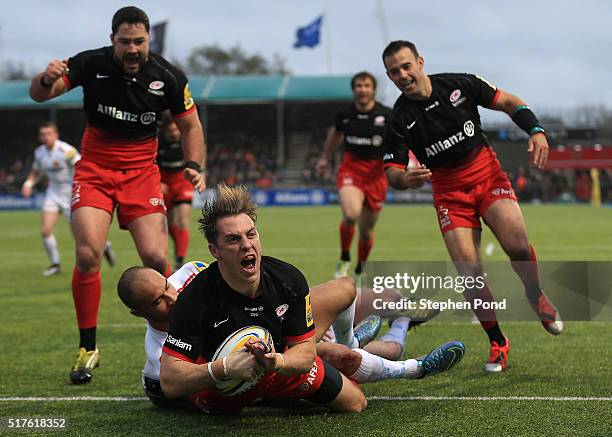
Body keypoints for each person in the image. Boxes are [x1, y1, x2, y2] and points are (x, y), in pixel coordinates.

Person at [157, 185, 464, 413]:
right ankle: (413, 365)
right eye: (233, 239)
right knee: (336, 354)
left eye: (251, 234)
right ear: (215, 250)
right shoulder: (196, 296)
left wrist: (276, 361)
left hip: (278, 363)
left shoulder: (287, 280)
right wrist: (223, 368)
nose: (246, 245)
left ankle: (381, 330)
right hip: (221, 393)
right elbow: (170, 382)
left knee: (355, 403)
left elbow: (302, 353)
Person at [29, 6, 206, 384]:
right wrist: (46, 78)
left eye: (139, 41)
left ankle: (181, 340)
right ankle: (88, 348)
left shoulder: (168, 77)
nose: (132, 49)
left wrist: (195, 164)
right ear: (113, 40)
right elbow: (41, 95)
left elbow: (191, 126)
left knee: (158, 258)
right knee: (89, 254)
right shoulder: (90, 64)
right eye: (124, 41)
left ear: (148, 41)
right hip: (94, 169)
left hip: (142, 173)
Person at [381, 40, 563, 373]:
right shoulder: (398, 119)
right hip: (449, 194)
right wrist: (404, 180)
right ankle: (497, 341)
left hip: (488, 176)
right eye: (394, 71)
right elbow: (391, 171)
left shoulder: (460, 84)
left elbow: (509, 101)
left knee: (518, 247)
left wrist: (535, 130)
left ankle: (535, 295)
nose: (402, 75)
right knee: (470, 274)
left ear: (420, 61)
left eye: (406, 66)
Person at [315, 72, 392, 279]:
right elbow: (335, 135)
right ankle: (344, 258)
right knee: (351, 215)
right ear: (354, 89)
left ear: (373, 89)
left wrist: (409, 160)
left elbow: (400, 139)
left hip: (377, 175)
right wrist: (324, 157)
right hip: (352, 170)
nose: (363, 89)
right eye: (359, 85)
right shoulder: (344, 115)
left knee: (366, 231)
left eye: (367, 85)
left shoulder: (387, 114)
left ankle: (360, 269)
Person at [22, 122, 116, 276]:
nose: (45, 137)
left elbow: (83, 166)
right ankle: (55, 264)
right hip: (52, 193)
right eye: (43, 134)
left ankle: (104, 246)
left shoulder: (66, 151)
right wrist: (29, 183)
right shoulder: (39, 152)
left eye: (48, 134)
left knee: (80, 236)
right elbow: (36, 171)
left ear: (56, 135)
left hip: (71, 194)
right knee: (45, 230)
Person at [157, 114, 194, 270]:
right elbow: (148, 163)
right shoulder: (157, 142)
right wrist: (156, 182)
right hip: (163, 181)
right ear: (164, 131)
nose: (173, 134)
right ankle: (177, 248)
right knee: (170, 224)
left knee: (181, 221)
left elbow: (201, 148)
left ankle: (179, 260)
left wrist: (200, 170)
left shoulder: (187, 138)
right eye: (170, 131)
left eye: (175, 130)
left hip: (182, 181)